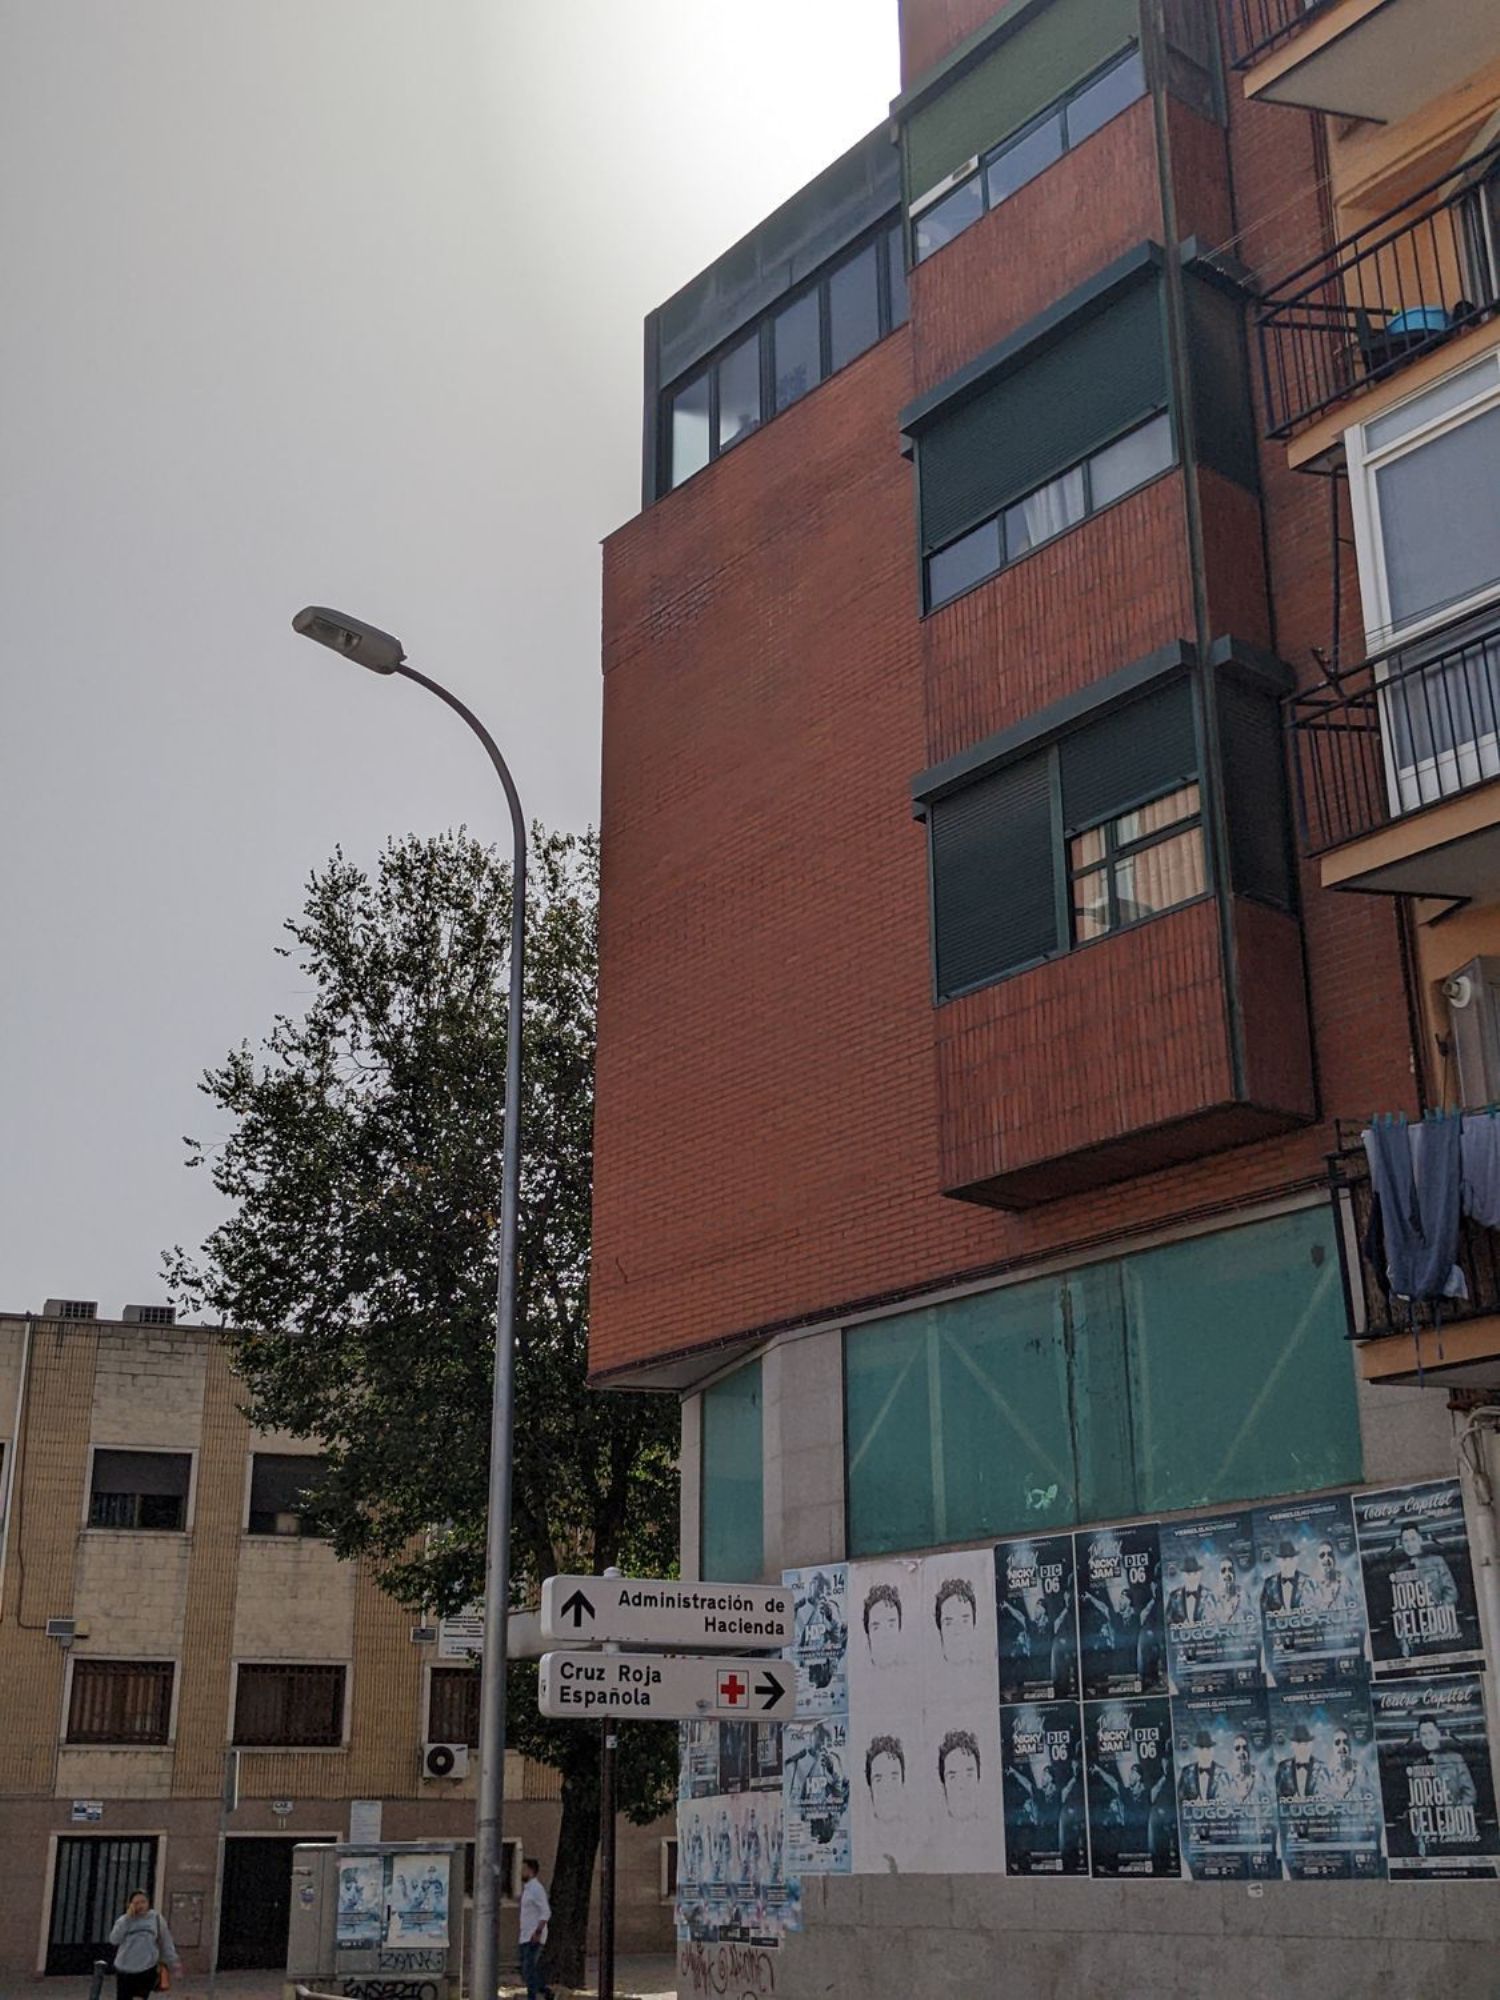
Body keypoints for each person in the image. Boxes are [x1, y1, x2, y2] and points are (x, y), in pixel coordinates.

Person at [108, 1890, 179, 2000]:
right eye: (136, 1903)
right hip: (125, 1968)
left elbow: (166, 1941)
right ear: (130, 1905)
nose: (140, 1906)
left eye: (143, 1902)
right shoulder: (124, 1920)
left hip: (147, 1967)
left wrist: (173, 1961)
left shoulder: (156, 1918)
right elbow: (114, 1939)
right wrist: (127, 1919)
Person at [517, 1857, 553, 2000]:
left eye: (523, 1869)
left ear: (531, 1871)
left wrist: (538, 1931)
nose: (521, 1872)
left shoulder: (536, 1889)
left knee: (529, 1969)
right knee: (527, 1971)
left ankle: (534, 1995)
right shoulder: (527, 1889)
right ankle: (544, 1991)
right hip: (525, 1935)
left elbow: (546, 1912)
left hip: (533, 1936)